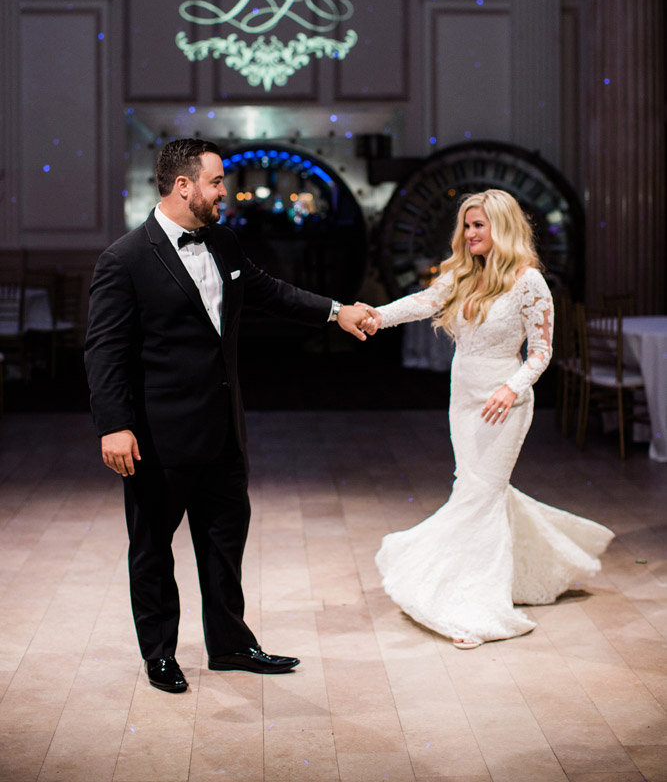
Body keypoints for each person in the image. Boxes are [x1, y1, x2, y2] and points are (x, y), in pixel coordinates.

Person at [85, 138, 372, 692]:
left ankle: (232, 646)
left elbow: (272, 293)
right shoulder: (123, 259)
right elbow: (104, 351)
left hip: (223, 432)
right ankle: (160, 655)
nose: (225, 192)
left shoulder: (224, 242)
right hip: (157, 438)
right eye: (217, 182)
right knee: (151, 549)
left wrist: (336, 312)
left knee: (223, 543)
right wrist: (113, 424)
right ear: (183, 185)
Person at [361, 189, 614, 649]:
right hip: (464, 398)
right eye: (467, 225)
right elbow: (421, 303)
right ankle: (522, 571)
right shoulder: (461, 273)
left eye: (479, 225)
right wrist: (377, 316)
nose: (470, 233)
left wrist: (511, 387)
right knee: (475, 489)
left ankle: (474, 605)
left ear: (504, 227)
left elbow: (541, 354)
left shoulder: (529, 281)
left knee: (480, 493)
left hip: (505, 401)